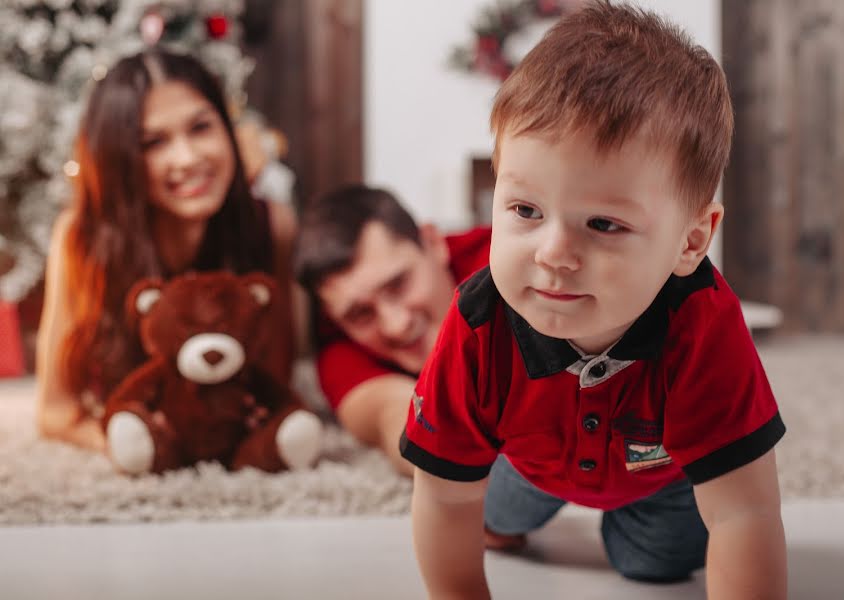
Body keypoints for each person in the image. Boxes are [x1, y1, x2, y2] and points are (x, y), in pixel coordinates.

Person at [400, 2, 787, 598]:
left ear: (690, 242)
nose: (553, 253)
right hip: (527, 462)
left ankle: (631, 530)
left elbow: (744, 514)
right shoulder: (478, 322)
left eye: (603, 224)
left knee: (651, 563)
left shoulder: (703, 324)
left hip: (659, 477)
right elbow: (444, 497)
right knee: (489, 516)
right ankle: (516, 513)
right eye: (525, 210)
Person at [35, 49, 306, 452]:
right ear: (120, 160)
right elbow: (57, 412)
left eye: (200, 128)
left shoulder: (274, 225)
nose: (188, 158)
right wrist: (135, 443)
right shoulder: (81, 238)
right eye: (153, 142)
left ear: (227, 129)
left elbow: (285, 375)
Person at [295, 185, 490, 476]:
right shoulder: (340, 351)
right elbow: (400, 421)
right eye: (361, 314)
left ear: (434, 243)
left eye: (398, 284)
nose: (396, 325)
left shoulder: (509, 261)